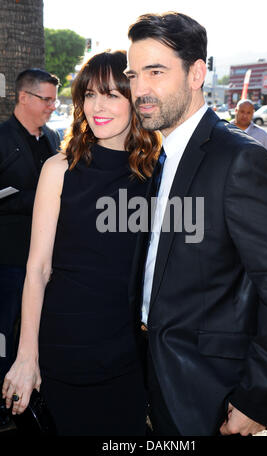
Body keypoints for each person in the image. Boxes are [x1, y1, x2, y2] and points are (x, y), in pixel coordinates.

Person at [126, 12, 267, 436]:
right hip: (146, 375)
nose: (140, 89)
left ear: (196, 74)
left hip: (209, 393)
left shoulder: (239, 158)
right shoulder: (156, 160)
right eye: (134, 74)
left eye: (156, 71)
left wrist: (258, 397)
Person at [2, 50, 161, 435]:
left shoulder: (156, 172)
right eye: (89, 95)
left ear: (134, 99)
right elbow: (38, 270)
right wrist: (26, 357)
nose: (97, 106)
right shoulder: (59, 169)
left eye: (110, 94)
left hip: (128, 354)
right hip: (65, 348)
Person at [0, 69, 60, 388]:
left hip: (46, 259)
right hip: (9, 259)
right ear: (24, 98)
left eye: (54, 99)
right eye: (46, 99)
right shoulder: (1, 138)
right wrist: (38, 198)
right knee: (4, 329)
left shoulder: (53, 139)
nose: (53, 106)